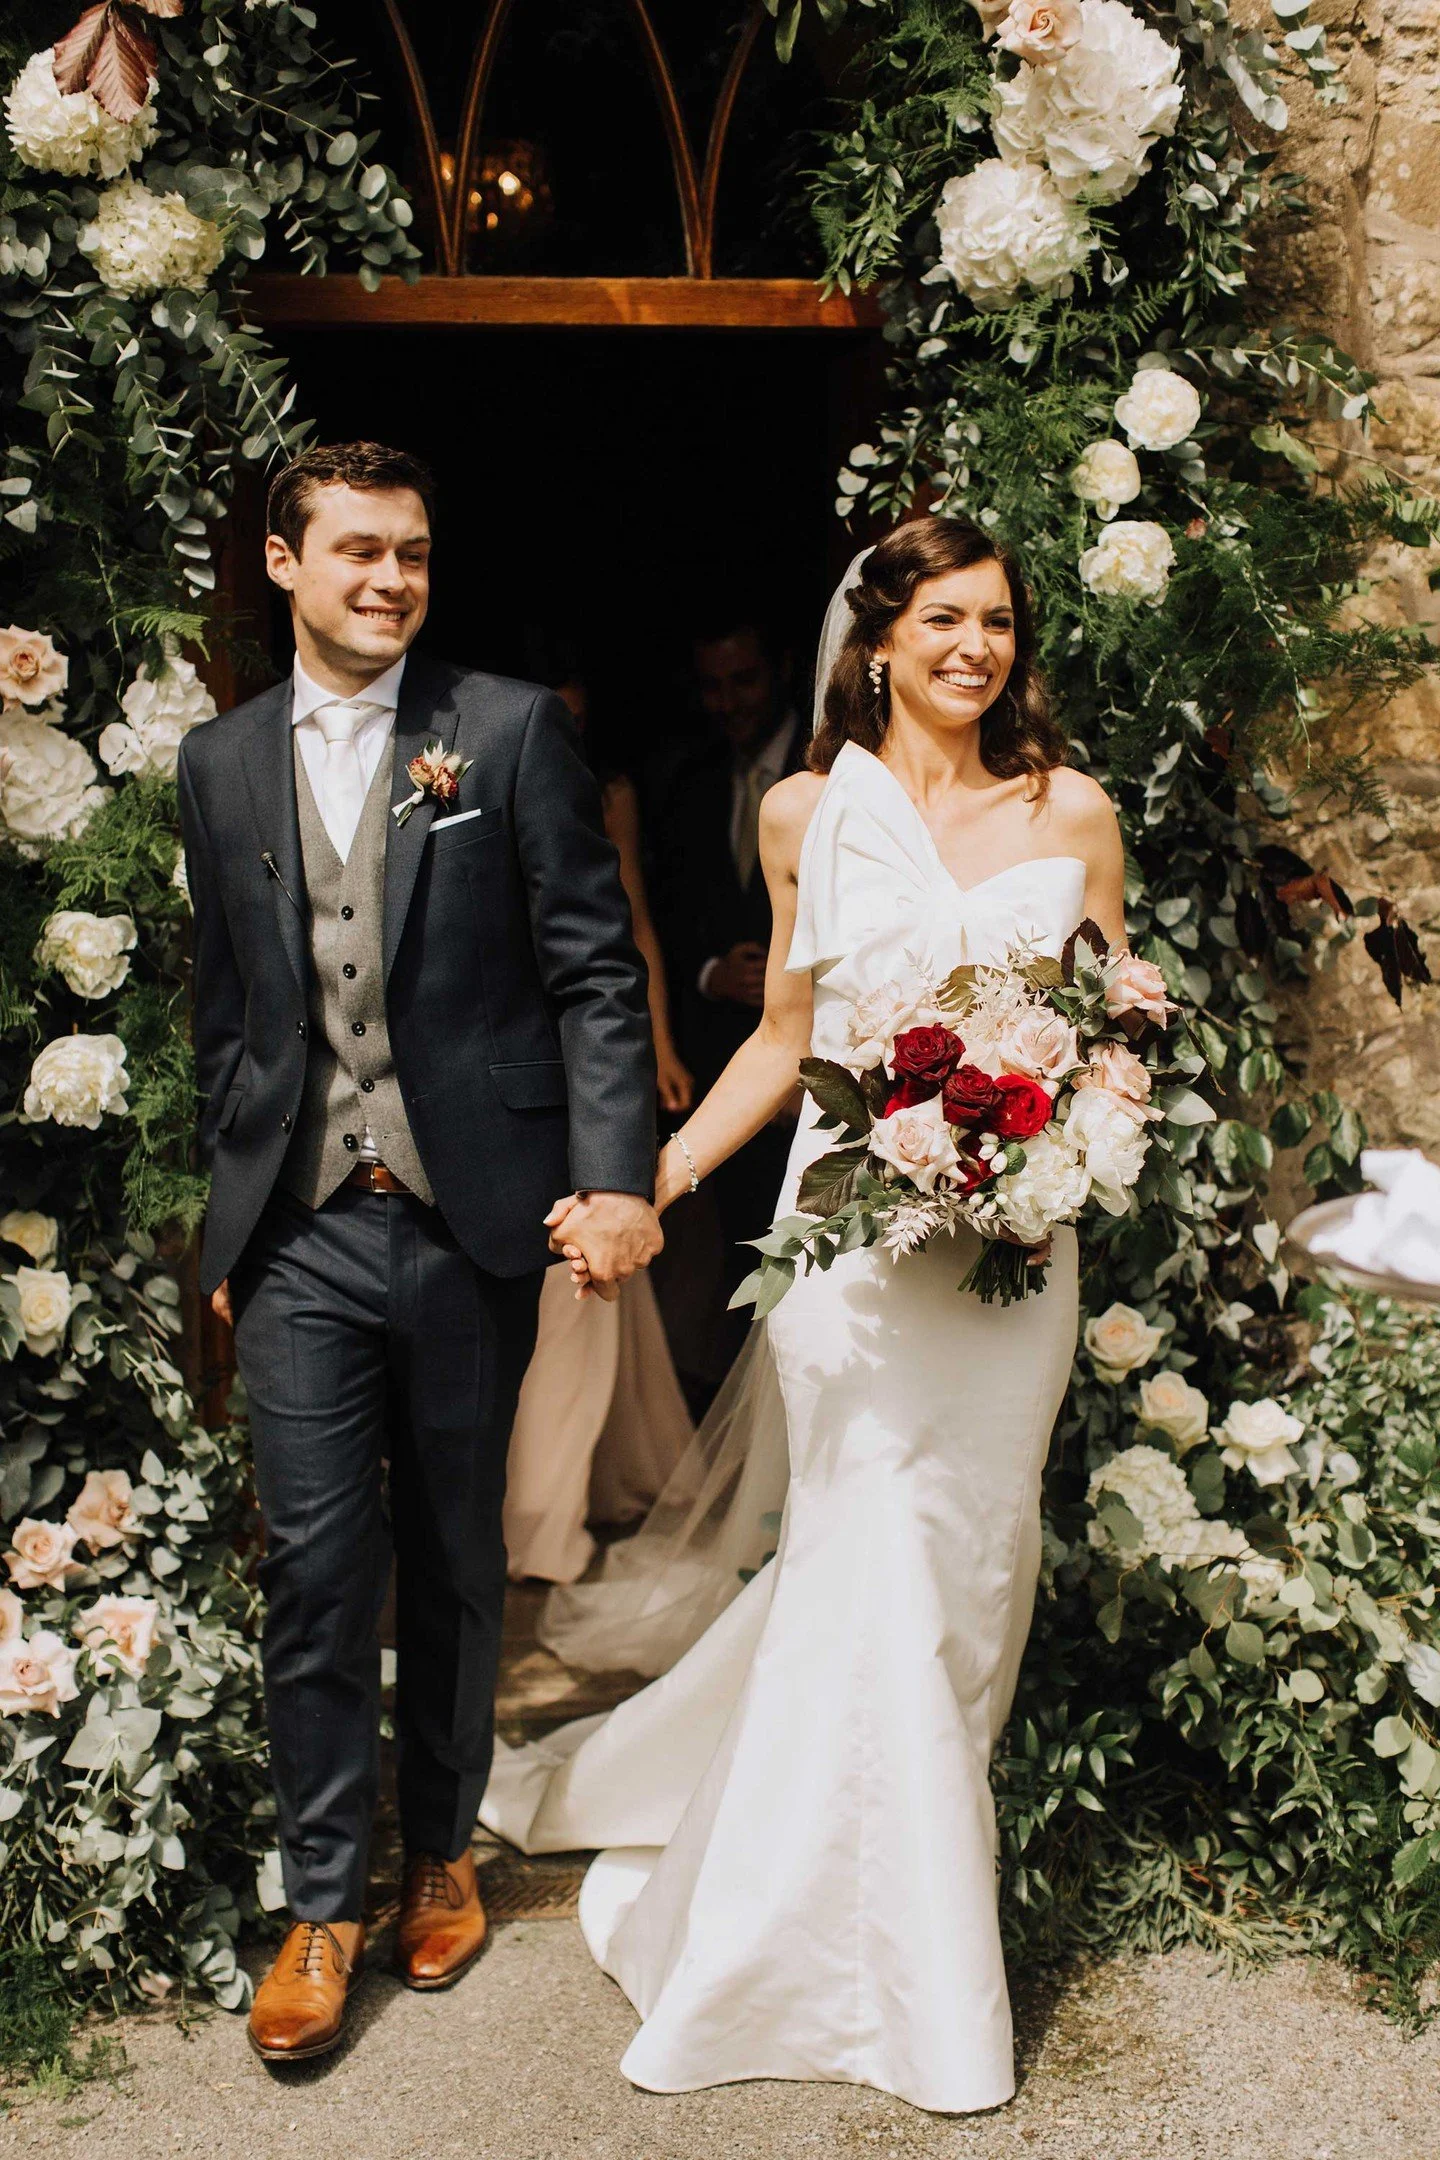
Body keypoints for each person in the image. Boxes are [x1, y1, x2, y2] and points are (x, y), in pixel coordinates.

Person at [490, 514, 1127, 2114]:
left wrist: (1080, 1134)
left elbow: (1117, 1023)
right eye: (944, 620)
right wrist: (654, 1180)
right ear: (881, 642)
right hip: (851, 1258)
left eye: (997, 621)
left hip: (1012, 1264)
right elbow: (788, 1036)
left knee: (969, 1576)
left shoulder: (1074, 810)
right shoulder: (805, 811)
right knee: (874, 1560)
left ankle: (873, 1909)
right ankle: (882, 1985)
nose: (974, 648)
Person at [177, 440, 661, 2063]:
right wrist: (229, 1212)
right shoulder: (218, 762)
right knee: (316, 1564)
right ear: (284, 562)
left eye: (414, 554)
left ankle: (439, 1850)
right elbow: (228, 1011)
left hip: (468, 1216)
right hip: (301, 1226)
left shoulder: (506, 729)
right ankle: (322, 1902)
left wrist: (611, 1176)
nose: (391, 578)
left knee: (455, 1552)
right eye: (360, 550)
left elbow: (595, 971)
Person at [504, 664, 693, 1585]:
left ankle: (545, 1521)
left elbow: (632, 925)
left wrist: (658, 1046)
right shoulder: (468, 761)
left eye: (575, 716)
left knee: (579, 1289)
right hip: (499, 1048)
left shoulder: (605, 791)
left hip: (587, 1056)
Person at [650, 614, 808, 1345]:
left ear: (780, 670)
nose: (730, 702)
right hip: (723, 1061)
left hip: (821, 1068)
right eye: (713, 686)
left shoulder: (830, 774)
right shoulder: (691, 781)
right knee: (746, 1254)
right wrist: (712, 973)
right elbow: (661, 910)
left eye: (743, 680)